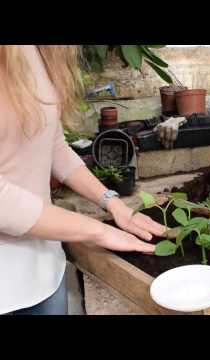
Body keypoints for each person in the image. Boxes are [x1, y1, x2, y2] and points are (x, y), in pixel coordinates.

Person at [0, 45, 164, 315]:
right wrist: (98, 230)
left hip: (45, 270)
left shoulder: (40, 51)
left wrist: (113, 204)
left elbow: (52, 145)